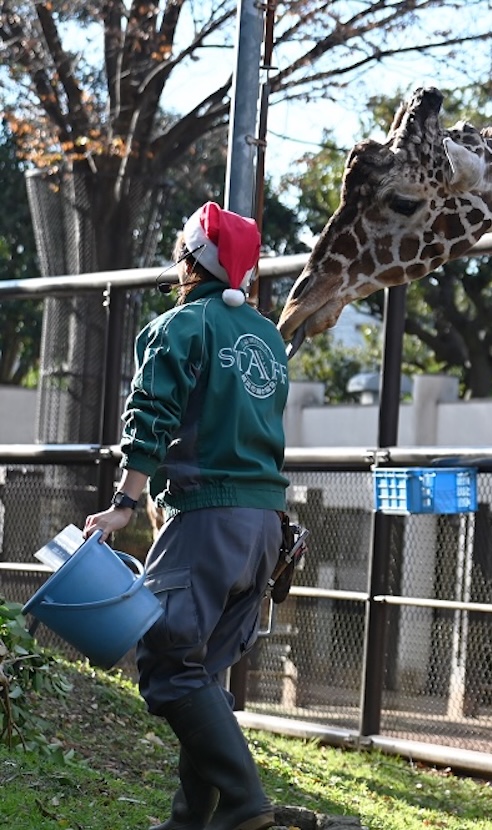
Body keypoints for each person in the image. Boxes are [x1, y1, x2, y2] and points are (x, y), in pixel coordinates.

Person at [83, 202, 289, 830]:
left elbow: (151, 417)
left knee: (169, 660)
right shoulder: (269, 338)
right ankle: (189, 821)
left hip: (205, 519)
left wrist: (124, 502)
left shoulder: (179, 327)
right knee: (203, 671)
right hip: (265, 528)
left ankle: (244, 802)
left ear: (191, 260)